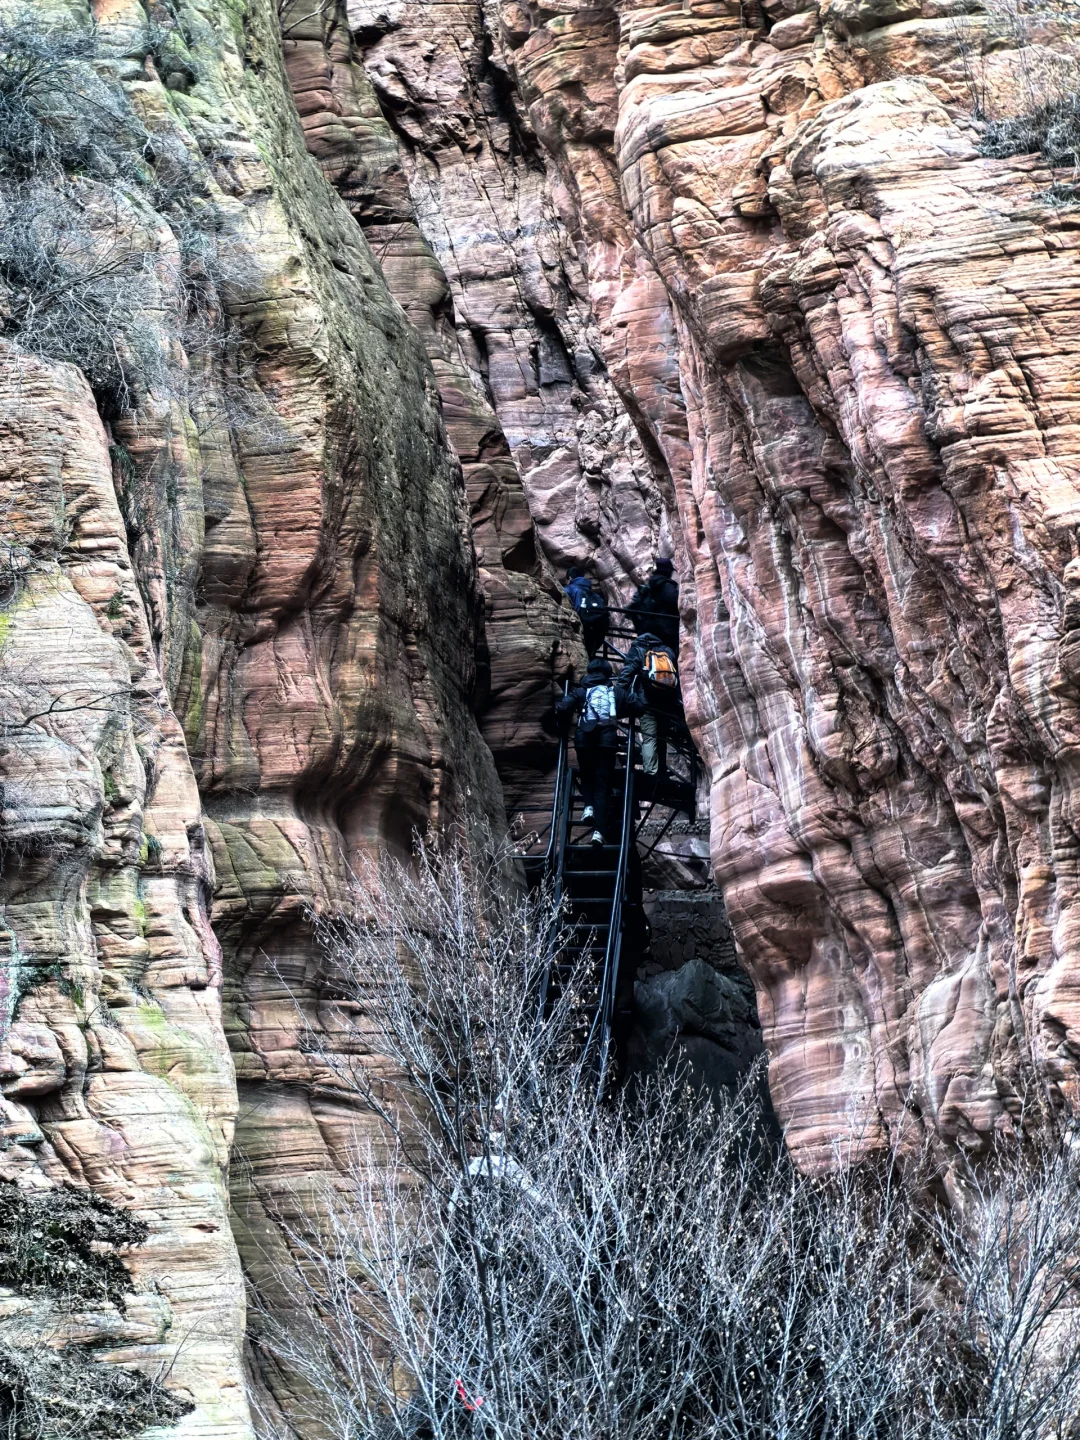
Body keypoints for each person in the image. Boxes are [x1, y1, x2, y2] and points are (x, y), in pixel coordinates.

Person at [556, 657, 618, 846]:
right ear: (608, 673)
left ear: (589, 672)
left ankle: (588, 807)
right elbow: (637, 706)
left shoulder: (581, 691)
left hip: (584, 741)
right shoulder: (614, 691)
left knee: (586, 776)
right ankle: (598, 832)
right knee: (603, 785)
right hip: (607, 744)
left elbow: (562, 706)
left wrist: (564, 722)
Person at [616, 630, 679, 778]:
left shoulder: (638, 649)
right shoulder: (667, 650)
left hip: (647, 702)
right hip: (666, 701)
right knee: (662, 737)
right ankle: (662, 770)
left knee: (649, 738)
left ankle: (651, 772)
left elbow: (627, 672)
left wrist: (618, 692)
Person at [627, 556, 679, 650]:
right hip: (666, 630)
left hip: (651, 627)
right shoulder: (665, 585)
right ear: (667, 570)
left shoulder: (652, 583)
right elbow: (675, 602)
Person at [564, 566, 609, 658]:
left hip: (582, 627)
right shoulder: (594, 594)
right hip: (596, 628)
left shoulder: (569, 589)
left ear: (570, 578)